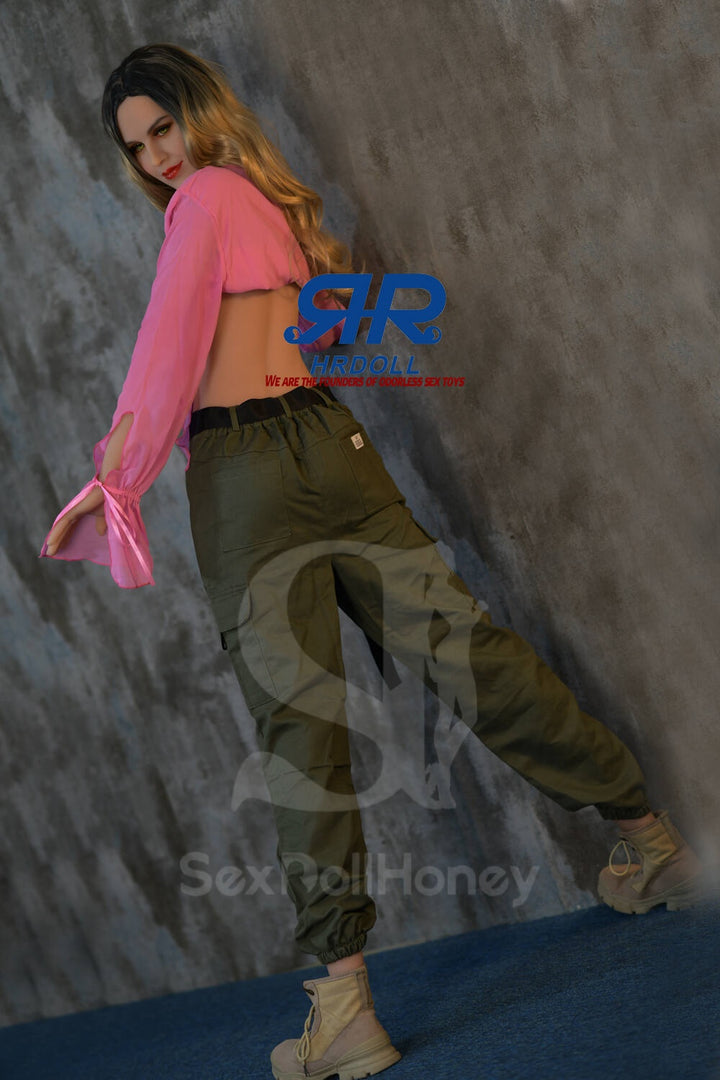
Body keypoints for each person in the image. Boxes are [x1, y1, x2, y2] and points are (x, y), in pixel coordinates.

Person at [40, 43, 703, 1080]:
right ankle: (654, 842)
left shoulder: (202, 201)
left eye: (164, 127)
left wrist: (115, 479)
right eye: (138, 148)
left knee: (298, 725)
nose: (159, 157)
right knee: (465, 650)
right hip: (331, 442)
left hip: (247, 475)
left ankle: (345, 1008)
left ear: (200, 112)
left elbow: (167, 347)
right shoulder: (266, 199)